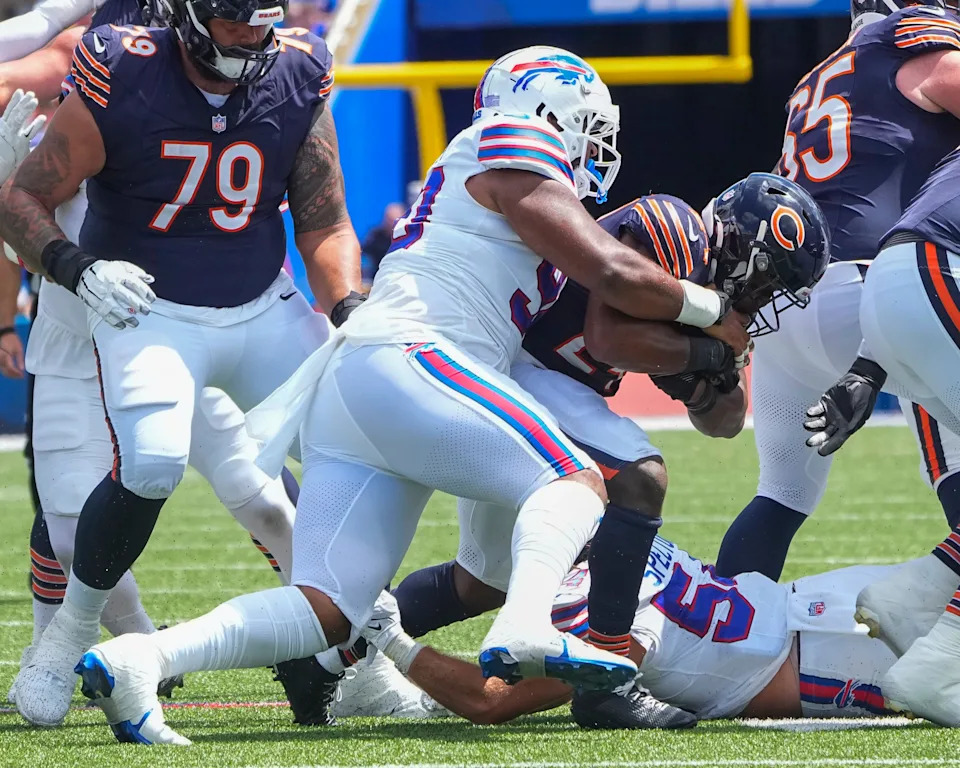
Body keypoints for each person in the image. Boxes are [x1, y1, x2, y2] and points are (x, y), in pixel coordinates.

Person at [70, 45, 750, 746]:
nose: (596, 143)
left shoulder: (504, 166)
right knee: (574, 477)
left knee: (329, 611)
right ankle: (524, 626)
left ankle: (139, 660)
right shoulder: (513, 140)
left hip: (363, 387)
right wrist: (709, 312)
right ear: (551, 108)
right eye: (588, 123)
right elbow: (609, 269)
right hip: (411, 356)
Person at [0, 0, 362, 736]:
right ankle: (74, 642)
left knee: (335, 460)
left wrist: (352, 308)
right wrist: (59, 271)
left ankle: (372, 656)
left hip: (246, 302)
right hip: (115, 312)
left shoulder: (294, 66)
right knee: (108, 500)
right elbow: (25, 196)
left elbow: (323, 215)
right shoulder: (107, 56)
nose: (248, 36)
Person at [391, 174, 830, 729]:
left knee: (481, 583)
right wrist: (705, 346)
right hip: (522, 371)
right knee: (641, 477)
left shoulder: (711, 300)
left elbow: (723, 421)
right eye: (769, 280)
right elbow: (606, 337)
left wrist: (711, 365)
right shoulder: (674, 226)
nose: (766, 298)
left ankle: (334, 646)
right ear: (743, 250)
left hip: (546, 393)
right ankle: (609, 680)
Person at [715, 0, 960, 582]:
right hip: (874, 291)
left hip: (787, 304)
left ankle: (717, 642)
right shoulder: (915, 36)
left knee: (779, 495)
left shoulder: (821, 74)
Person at [359, 542, 903, 725]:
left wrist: (394, 642)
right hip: (821, 598)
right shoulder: (625, 537)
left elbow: (489, 701)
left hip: (810, 660)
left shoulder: (587, 604)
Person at [802, 141, 960, 726]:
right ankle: (939, 667)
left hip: (899, 285)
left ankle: (917, 594)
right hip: (937, 276)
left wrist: (871, 364)